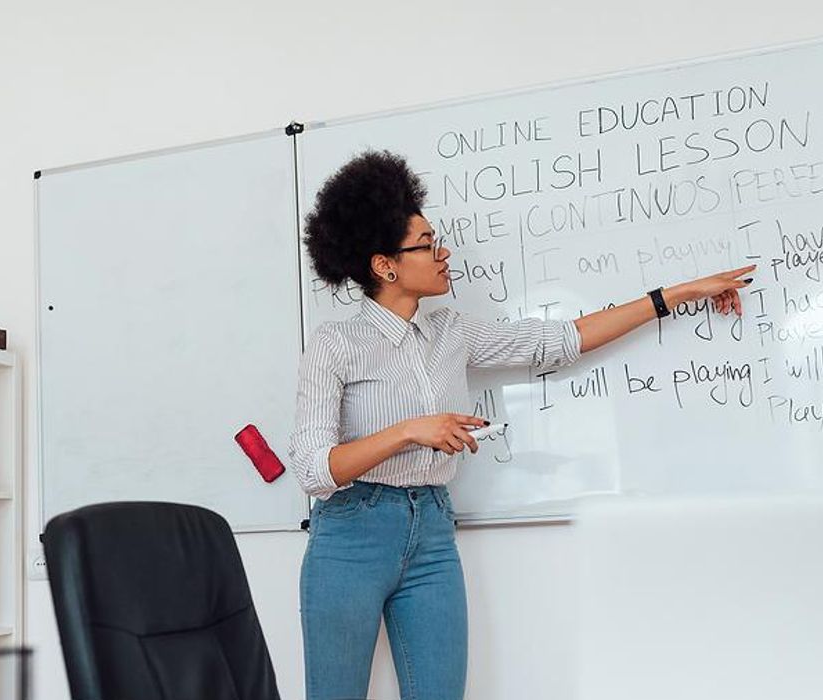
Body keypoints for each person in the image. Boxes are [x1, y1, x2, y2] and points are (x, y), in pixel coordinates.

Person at [288, 150, 754, 700]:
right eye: (427, 245)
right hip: (352, 535)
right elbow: (314, 469)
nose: (444, 254)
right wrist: (410, 430)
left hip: (432, 531)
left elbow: (557, 340)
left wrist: (672, 296)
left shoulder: (451, 332)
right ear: (384, 266)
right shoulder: (335, 344)